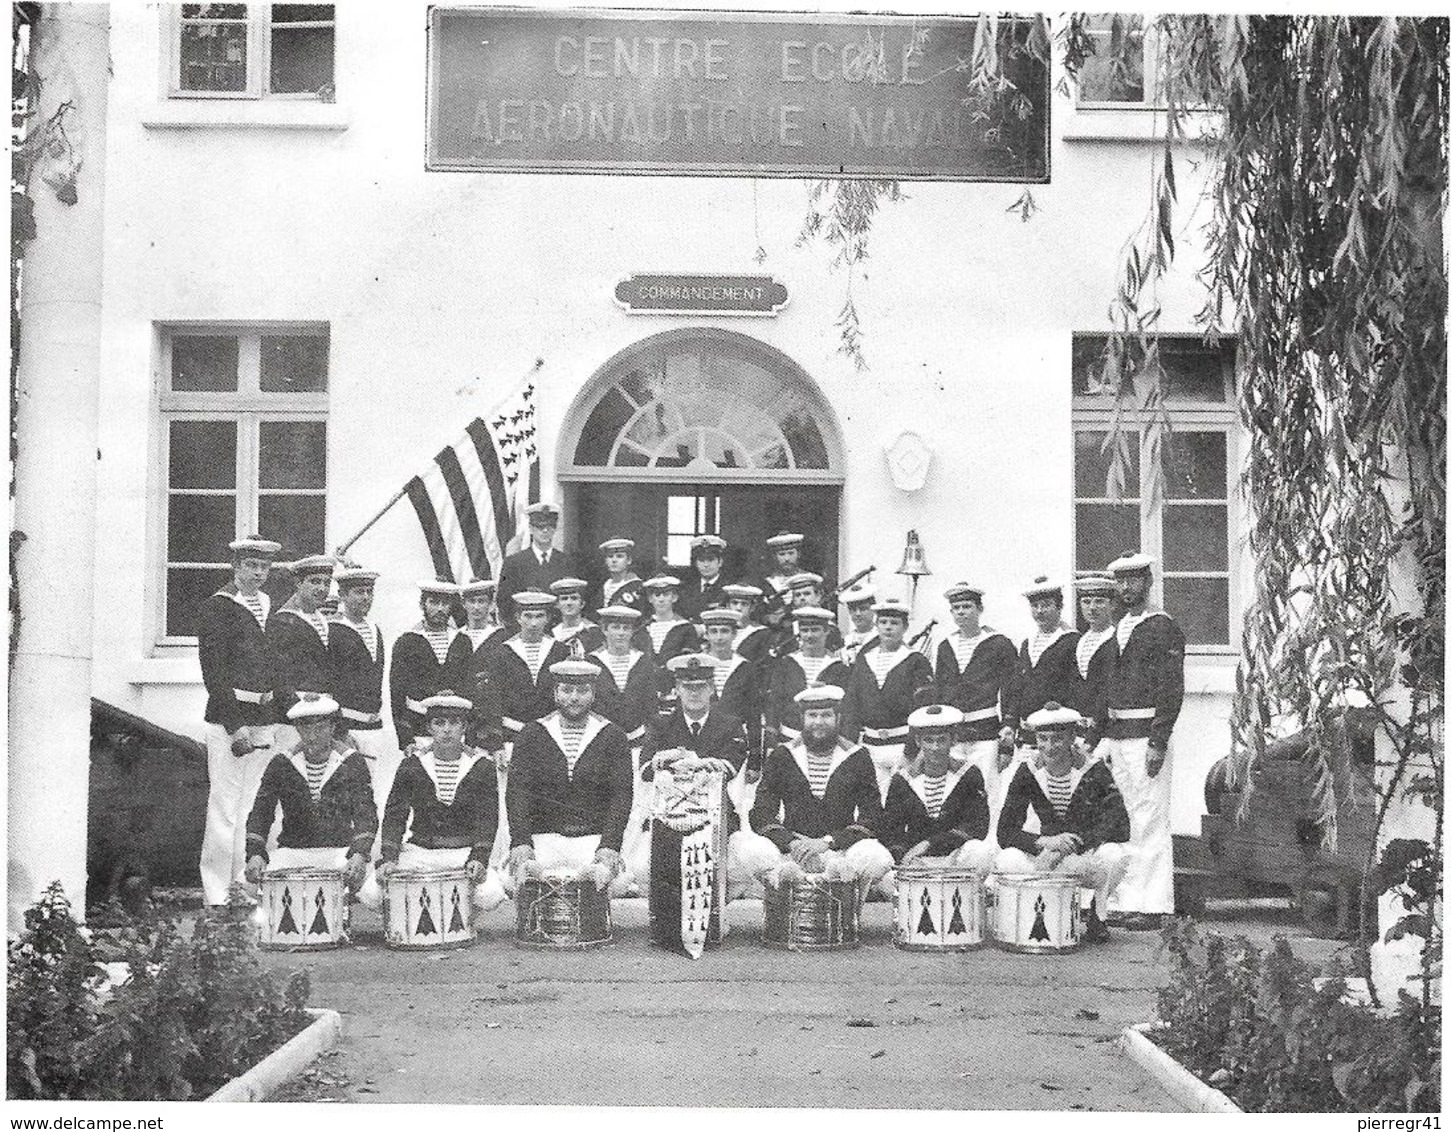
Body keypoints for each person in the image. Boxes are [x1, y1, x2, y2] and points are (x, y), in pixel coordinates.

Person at [732, 684, 894, 898]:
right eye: (812, 715)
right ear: (802, 719)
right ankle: (799, 884)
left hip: (838, 853)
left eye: (826, 715)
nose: (819, 722)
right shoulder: (783, 755)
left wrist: (827, 843)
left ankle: (819, 887)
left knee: (877, 857)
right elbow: (761, 813)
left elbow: (872, 816)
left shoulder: (857, 756)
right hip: (792, 854)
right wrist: (791, 842)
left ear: (838, 718)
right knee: (750, 851)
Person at [1097, 552, 1185, 929]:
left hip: (1146, 736)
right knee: (1126, 818)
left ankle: (1153, 905)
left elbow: (1171, 688)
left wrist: (1158, 740)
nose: (1126, 588)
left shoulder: (1162, 627)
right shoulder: (1118, 627)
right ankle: (1128, 897)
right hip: (1118, 737)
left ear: (1148, 582)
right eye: (1120, 581)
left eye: (1133, 580)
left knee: (1149, 819)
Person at [995, 702, 1131, 943]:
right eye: (1043, 739)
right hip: (1046, 853)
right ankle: (1038, 915)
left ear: (1072, 738)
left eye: (1057, 739)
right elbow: (1005, 831)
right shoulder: (1027, 771)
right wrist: (1043, 842)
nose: (1049, 747)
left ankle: (1097, 917)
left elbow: (1119, 823)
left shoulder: (1094, 769)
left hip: (1080, 855)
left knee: (1115, 855)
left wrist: (1072, 844)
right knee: (1007, 858)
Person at [361, 691, 506, 915]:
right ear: (429, 728)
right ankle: (407, 918)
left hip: (462, 852)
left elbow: (488, 818)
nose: (447, 730)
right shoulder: (413, 764)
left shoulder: (481, 766)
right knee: (372, 892)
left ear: (464, 727)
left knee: (491, 895)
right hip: (421, 852)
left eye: (454, 723)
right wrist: (389, 858)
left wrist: (479, 857)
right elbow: (395, 815)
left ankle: (463, 918)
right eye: (439, 723)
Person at [197, 534, 283, 906]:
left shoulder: (266, 603)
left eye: (264, 567)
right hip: (231, 719)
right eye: (251, 566)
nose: (258, 574)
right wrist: (236, 725)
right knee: (225, 806)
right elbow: (213, 673)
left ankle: (244, 886)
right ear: (236, 567)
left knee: (252, 805)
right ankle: (218, 891)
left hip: (263, 716)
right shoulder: (218, 606)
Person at [504, 660, 636, 891]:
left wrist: (609, 846)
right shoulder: (532, 733)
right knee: (517, 880)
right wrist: (521, 842)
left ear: (593, 695)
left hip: (592, 841)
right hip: (543, 839)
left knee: (610, 881)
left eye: (583, 691)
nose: (574, 697)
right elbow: (517, 793)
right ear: (555, 694)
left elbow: (621, 796)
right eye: (566, 690)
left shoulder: (613, 736)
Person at [629, 654, 750, 889]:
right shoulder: (660, 724)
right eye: (687, 687)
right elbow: (645, 770)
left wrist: (684, 759)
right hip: (666, 817)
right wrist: (665, 761)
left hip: (716, 817)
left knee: (734, 868)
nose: (694, 693)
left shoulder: (730, 725)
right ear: (677, 689)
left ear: (712, 689)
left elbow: (730, 767)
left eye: (701, 687)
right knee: (643, 869)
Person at [243, 693, 376, 897]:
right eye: (305, 728)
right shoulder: (282, 763)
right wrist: (255, 854)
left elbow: (365, 813)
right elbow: (261, 813)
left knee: (372, 892)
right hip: (292, 852)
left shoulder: (352, 762)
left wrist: (359, 853)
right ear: (297, 729)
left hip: (339, 851)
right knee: (244, 886)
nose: (312, 736)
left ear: (332, 728)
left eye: (320, 728)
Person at [932, 581, 1019, 827]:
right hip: (954, 734)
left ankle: (990, 843)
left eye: (967, 606)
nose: (961, 612)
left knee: (988, 789)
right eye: (956, 608)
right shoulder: (945, 646)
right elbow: (939, 692)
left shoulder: (998, 643)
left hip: (986, 733)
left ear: (979, 609)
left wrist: (1008, 727)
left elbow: (1011, 688)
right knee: (953, 789)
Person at [841, 597, 935, 803]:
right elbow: (852, 705)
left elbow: (923, 709)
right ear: (876, 625)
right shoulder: (865, 660)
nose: (888, 628)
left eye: (894, 623)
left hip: (901, 746)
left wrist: (911, 751)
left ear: (905, 627)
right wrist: (849, 746)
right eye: (883, 622)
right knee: (871, 802)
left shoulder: (915, 661)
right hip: (870, 745)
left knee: (901, 802)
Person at [881, 705, 994, 871]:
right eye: (928, 740)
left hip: (955, 858)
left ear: (953, 740)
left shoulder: (969, 774)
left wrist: (930, 844)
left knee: (980, 852)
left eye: (941, 740)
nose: (935, 748)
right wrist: (903, 856)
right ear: (918, 741)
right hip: (916, 860)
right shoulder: (902, 779)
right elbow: (891, 830)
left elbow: (977, 826)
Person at [327, 564, 395, 815]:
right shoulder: (332, 631)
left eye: (369, 591)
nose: (365, 597)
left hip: (372, 727)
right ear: (343, 595)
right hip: (347, 729)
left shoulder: (374, 629)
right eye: (358, 592)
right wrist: (340, 729)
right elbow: (329, 684)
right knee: (344, 791)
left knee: (370, 791)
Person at [1003, 576, 1081, 748]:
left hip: (1056, 735)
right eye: (1035, 606)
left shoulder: (1072, 641)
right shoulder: (1027, 643)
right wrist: (1010, 724)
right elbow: (1018, 688)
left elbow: (1077, 690)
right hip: (1028, 733)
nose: (1040, 611)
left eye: (1046, 605)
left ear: (1059, 607)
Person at [389, 579, 463, 749]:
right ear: (422, 604)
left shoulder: (461, 641)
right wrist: (406, 739)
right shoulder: (407, 641)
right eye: (433, 602)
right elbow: (397, 695)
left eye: (445, 603)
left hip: (456, 730)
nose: (439, 608)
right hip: (419, 729)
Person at [764, 606, 851, 748]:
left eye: (815, 630)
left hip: (826, 742)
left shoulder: (839, 667)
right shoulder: (786, 664)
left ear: (826, 631)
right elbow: (775, 701)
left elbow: (845, 708)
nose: (809, 636)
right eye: (805, 630)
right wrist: (772, 736)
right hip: (789, 738)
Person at [266, 554, 336, 717]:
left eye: (326, 583)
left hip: (323, 713)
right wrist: (297, 709)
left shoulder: (324, 621)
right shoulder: (282, 622)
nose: (322, 588)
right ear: (298, 583)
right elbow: (277, 676)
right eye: (315, 581)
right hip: (294, 715)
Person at [447, 577, 508, 756]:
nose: (476, 607)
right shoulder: (455, 638)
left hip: (493, 724)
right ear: (464, 604)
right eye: (471, 601)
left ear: (490, 605)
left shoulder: (502, 638)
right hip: (462, 720)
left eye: (481, 601)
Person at [497, 502, 577, 628]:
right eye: (540, 527)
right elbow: (504, 601)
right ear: (531, 528)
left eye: (550, 527)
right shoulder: (514, 562)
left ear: (555, 528)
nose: (545, 531)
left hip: (558, 631)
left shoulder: (567, 562)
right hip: (524, 631)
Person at [698, 608, 762, 756]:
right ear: (706, 635)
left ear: (734, 634)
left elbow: (754, 714)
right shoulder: (696, 665)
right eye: (714, 631)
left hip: (735, 744)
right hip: (699, 743)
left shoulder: (745, 667)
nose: (719, 637)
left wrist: (754, 757)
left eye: (724, 631)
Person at [1072, 572, 1120, 745]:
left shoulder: (1118, 641)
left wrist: (1094, 734)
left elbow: (1109, 691)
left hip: (1107, 733)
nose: (1092, 608)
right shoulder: (1079, 641)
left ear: (1113, 604)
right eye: (1086, 602)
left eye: (1099, 601)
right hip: (1079, 732)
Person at [637, 574, 700, 668]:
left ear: (674, 598)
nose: (661, 599)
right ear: (650, 599)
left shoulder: (685, 628)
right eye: (657, 595)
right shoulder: (643, 629)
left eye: (666, 595)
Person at [783, 571, 845, 653]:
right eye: (798, 595)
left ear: (818, 596)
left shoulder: (830, 629)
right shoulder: (788, 629)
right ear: (793, 600)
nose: (802, 598)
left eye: (807, 594)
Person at [678, 534, 730, 623]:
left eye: (710, 560)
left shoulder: (728, 588)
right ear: (696, 563)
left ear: (720, 562)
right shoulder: (686, 588)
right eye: (701, 560)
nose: (706, 565)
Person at [550, 577, 603, 655]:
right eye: (564, 599)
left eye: (574, 598)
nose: (569, 603)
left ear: (582, 604)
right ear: (557, 605)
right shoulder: (552, 633)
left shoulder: (592, 632)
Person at [724, 583, 773, 664]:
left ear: (752, 607)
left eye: (744, 604)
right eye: (734, 603)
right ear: (728, 606)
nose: (738, 608)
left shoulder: (762, 633)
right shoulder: (717, 630)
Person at [596, 537, 644, 617]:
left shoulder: (637, 586)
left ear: (629, 560)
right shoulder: (604, 586)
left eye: (619, 556)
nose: (614, 560)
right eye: (610, 556)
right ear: (606, 561)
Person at [839, 581, 879, 667]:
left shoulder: (881, 637)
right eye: (853, 609)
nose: (858, 614)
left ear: (873, 610)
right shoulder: (846, 640)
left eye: (863, 609)